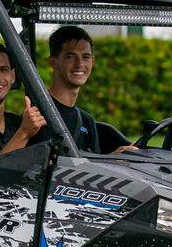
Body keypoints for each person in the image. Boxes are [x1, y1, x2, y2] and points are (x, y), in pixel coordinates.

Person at [31, 25, 137, 154]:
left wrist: (115, 157)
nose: (79, 64)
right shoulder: (37, 117)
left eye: (85, 57)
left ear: (92, 61)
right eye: (70, 56)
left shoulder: (87, 121)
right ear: (53, 62)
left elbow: (92, 168)